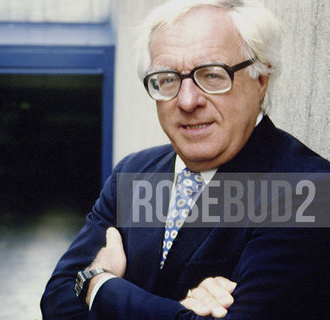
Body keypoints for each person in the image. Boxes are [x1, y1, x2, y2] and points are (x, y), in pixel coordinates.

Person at [41, 0, 330, 319]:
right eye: (167, 79)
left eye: (212, 75)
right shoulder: (134, 174)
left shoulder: (307, 190)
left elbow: (80, 289)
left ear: (260, 80)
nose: (187, 100)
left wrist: (99, 283)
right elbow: (57, 301)